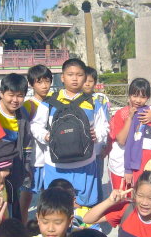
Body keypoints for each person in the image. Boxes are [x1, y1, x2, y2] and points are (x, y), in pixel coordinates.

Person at [30, 58, 108, 207]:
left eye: (79, 75)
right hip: (55, 166)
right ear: (62, 77)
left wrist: (97, 135)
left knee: (86, 205)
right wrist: (45, 136)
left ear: (85, 77)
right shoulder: (49, 102)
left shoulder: (93, 102)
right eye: (70, 74)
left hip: (86, 164)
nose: (75, 78)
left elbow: (104, 126)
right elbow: (35, 125)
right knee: (57, 206)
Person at [0, 73, 33, 223]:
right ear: (1, 93)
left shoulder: (22, 116)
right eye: (11, 95)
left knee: (11, 210)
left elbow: (26, 145)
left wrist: (26, 171)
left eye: (20, 96)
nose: (15, 100)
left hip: (13, 171)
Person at [19, 64, 53, 220]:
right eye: (39, 82)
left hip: (50, 159)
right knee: (27, 194)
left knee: (47, 196)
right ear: (31, 84)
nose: (44, 86)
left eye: (47, 81)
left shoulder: (53, 102)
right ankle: (22, 224)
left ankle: (44, 222)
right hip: (34, 159)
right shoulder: (28, 105)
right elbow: (28, 129)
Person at [108, 78, 151, 191]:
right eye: (134, 96)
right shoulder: (121, 113)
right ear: (129, 95)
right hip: (120, 164)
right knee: (119, 196)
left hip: (138, 164)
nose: (138, 100)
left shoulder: (148, 113)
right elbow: (121, 140)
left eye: (143, 97)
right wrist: (130, 117)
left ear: (148, 98)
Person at [83, 66, 111, 201]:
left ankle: (98, 203)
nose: (87, 84)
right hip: (81, 151)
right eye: (85, 81)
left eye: (91, 81)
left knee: (97, 177)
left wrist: (104, 143)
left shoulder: (99, 100)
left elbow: (106, 123)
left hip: (97, 149)